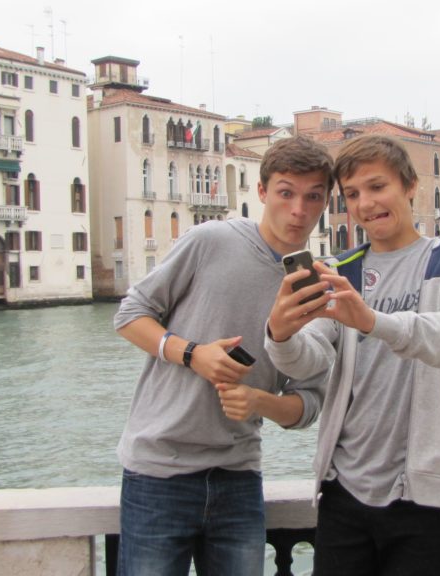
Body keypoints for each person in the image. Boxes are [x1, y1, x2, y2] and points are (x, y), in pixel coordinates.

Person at [265, 135, 440, 575]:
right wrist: (280, 334)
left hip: (428, 496)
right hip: (343, 490)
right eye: (352, 194)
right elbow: (309, 360)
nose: (366, 203)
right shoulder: (343, 269)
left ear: (410, 186)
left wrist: (372, 322)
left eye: (377, 187)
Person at [112, 135, 334, 576]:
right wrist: (192, 354)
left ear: (325, 202)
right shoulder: (210, 240)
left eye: (313, 197)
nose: (299, 210)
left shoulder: (318, 288)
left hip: (238, 477)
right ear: (262, 192)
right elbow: (130, 314)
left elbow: (309, 404)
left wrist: (259, 403)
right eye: (286, 193)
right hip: (157, 471)